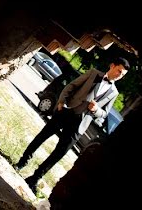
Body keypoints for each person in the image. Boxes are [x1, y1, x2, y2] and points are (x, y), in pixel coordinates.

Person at [15, 57, 130, 191]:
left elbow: (104, 114)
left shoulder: (114, 92)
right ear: (112, 65)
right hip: (66, 111)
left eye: (122, 75)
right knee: (42, 137)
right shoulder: (93, 73)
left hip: (80, 125)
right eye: (118, 71)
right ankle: (22, 162)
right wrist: (61, 103)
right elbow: (71, 86)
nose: (119, 76)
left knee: (59, 153)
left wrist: (97, 110)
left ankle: (34, 179)